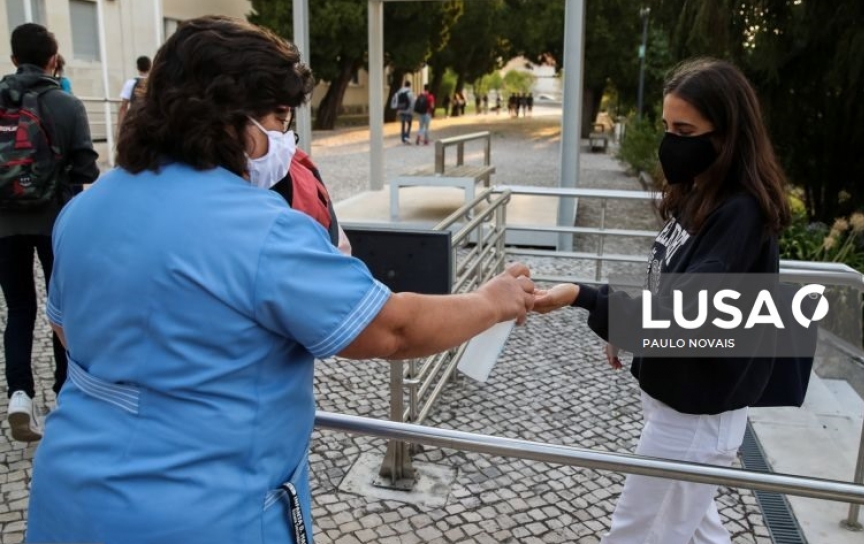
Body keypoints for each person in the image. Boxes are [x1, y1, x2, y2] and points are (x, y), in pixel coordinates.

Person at [26, 16, 535, 544]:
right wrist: (491, 301)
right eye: (279, 115)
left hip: (68, 500)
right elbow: (394, 330)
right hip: (206, 514)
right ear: (228, 118)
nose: (287, 137)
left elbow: (68, 331)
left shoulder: (86, 210)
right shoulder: (262, 229)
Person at [533, 57, 790, 544]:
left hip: (696, 412)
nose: (671, 141)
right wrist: (623, 328)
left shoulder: (740, 212)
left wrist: (584, 297)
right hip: (681, 398)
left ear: (727, 133)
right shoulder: (701, 192)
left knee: (638, 532)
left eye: (685, 129)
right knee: (696, 528)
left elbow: (685, 310)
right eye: (668, 126)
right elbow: (667, 276)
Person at [0, 23, 99, 442]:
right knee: (66, 307)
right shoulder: (66, 104)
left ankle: (20, 394)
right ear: (53, 59)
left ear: (12, 57)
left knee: (19, 308)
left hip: (4, 224)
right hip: (57, 222)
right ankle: (66, 392)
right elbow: (88, 169)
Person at [117, 54, 151, 126]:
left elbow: (124, 106)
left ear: (137, 67)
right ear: (150, 67)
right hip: (151, 120)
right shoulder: (155, 83)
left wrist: (120, 126)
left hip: (135, 119)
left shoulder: (130, 83)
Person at [392, 79, 414, 144]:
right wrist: (412, 110)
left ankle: (402, 138)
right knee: (409, 124)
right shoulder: (410, 92)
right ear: (409, 85)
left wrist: (397, 109)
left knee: (403, 124)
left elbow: (396, 100)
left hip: (401, 110)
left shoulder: (399, 92)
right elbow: (412, 103)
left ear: (404, 85)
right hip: (408, 111)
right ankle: (407, 136)